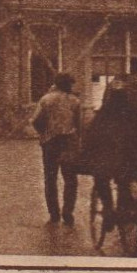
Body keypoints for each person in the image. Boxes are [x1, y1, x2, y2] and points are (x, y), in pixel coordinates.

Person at [80, 79, 137, 236]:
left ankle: (109, 210)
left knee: (101, 179)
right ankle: (126, 207)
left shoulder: (105, 113)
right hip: (130, 161)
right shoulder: (135, 113)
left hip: (109, 161)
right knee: (127, 180)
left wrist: (87, 152)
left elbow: (92, 135)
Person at [31, 72, 82, 225]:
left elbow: (36, 120)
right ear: (67, 85)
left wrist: (44, 133)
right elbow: (79, 124)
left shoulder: (46, 99)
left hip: (50, 142)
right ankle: (68, 212)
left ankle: (54, 214)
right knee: (70, 179)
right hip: (69, 143)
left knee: (50, 179)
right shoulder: (75, 101)